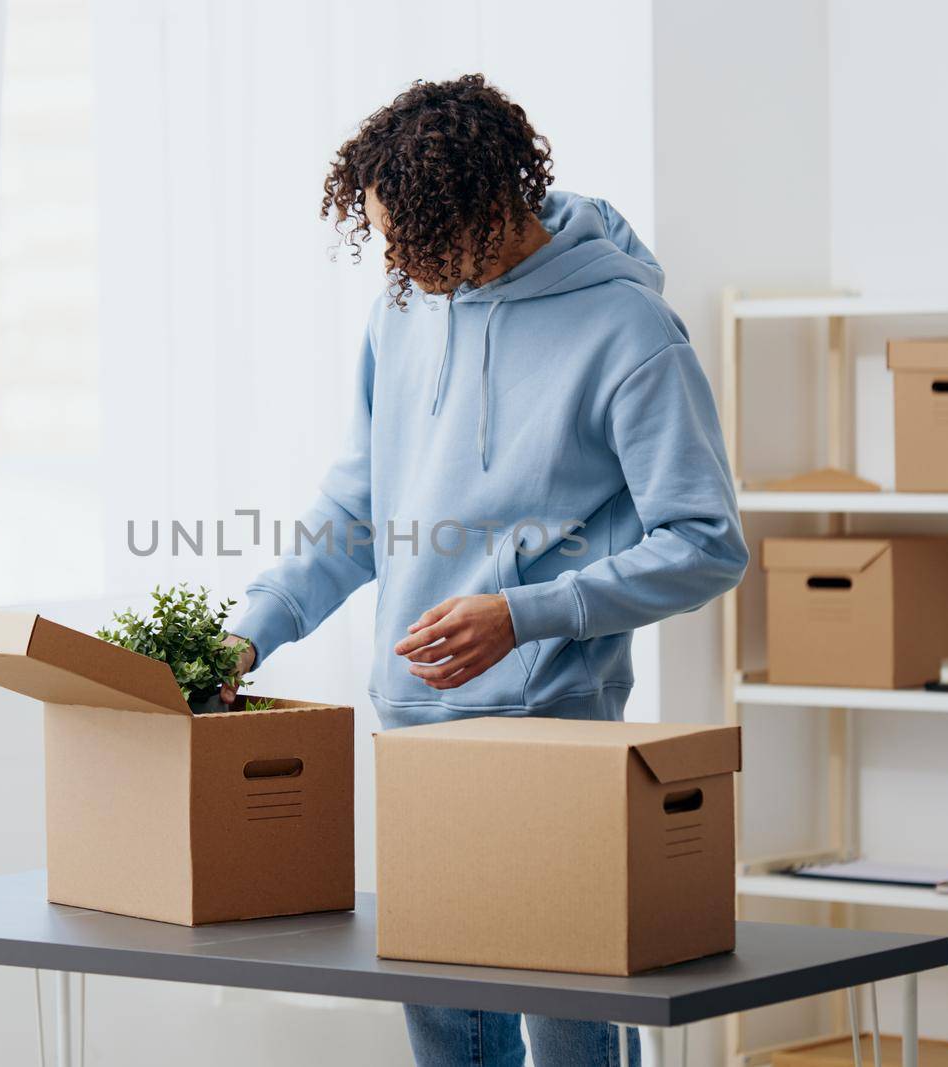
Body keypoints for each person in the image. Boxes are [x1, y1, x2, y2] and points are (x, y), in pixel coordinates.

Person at [223, 74, 747, 1067]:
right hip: (416, 728)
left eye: (410, 238)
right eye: (382, 240)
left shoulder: (629, 334)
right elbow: (356, 507)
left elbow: (705, 540)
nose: (395, 264)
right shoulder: (405, 309)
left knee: (568, 1021)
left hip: (553, 723)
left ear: (485, 209)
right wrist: (255, 625)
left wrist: (523, 612)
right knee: (449, 1032)